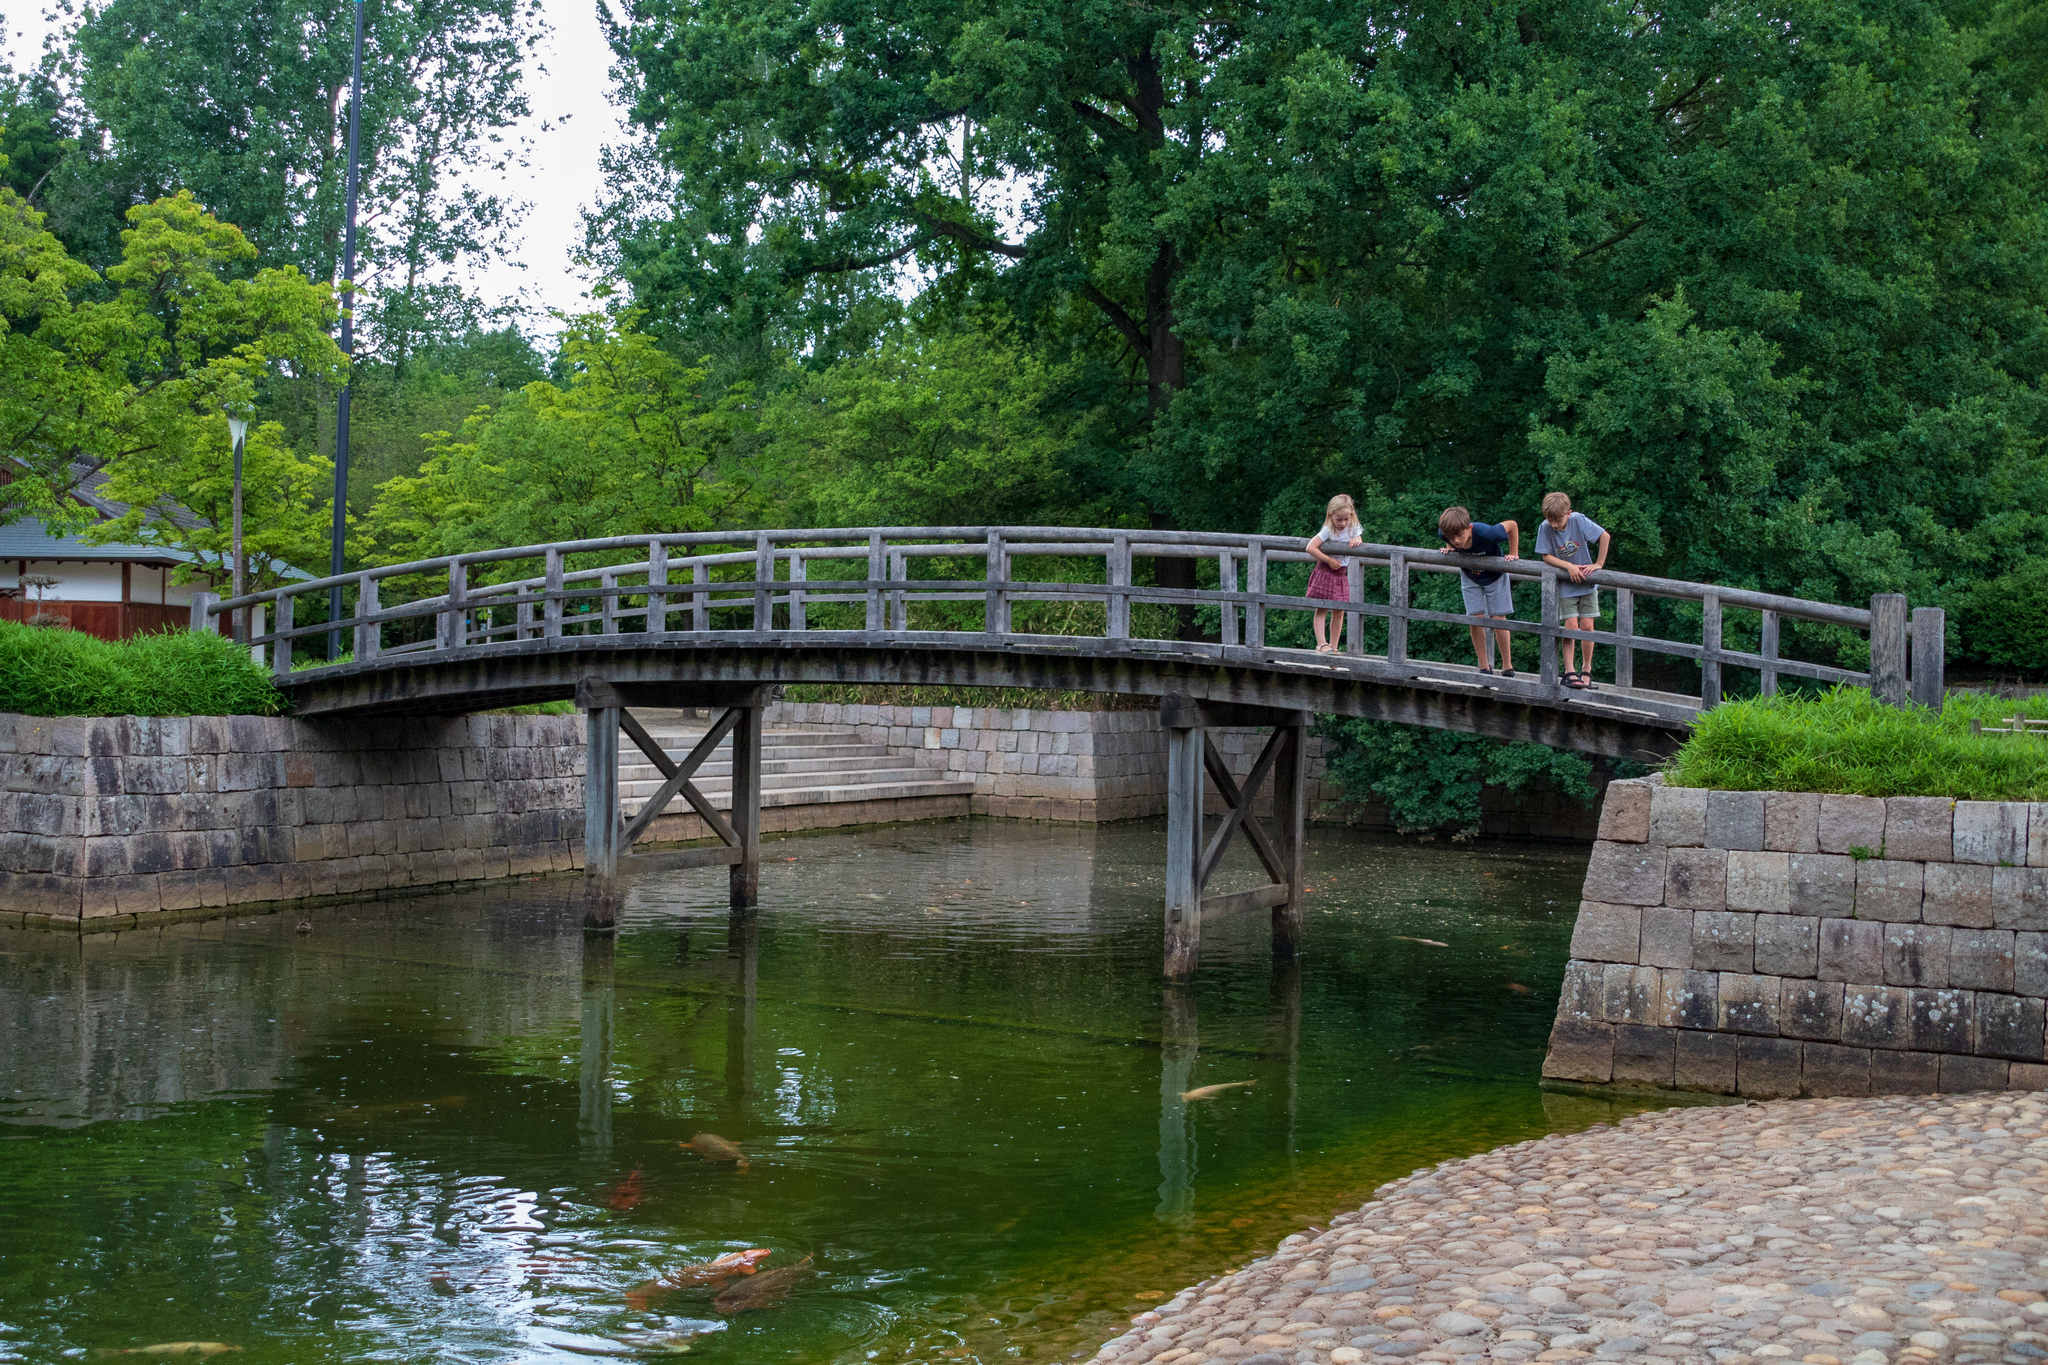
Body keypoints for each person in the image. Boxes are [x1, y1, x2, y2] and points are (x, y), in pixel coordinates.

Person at [1535, 492, 1610, 690]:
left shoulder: (1578, 520)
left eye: (1557, 520)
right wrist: (1568, 566)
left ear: (1568, 513)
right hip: (1566, 583)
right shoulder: (1545, 528)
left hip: (1586, 582)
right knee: (1570, 625)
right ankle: (1569, 671)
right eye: (1550, 520)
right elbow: (1546, 556)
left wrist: (1599, 564)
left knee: (1587, 625)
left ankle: (1586, 668)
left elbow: (1604, 536)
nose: (1554, 524)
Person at [1438, 505, 1519, 675]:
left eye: (1460, 535)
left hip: (1495, 574)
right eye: (1451, 538)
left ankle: (1507, 665)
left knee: (1498, 617)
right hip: (1470, 575)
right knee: (1475, 617)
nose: (1457, 541)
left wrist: (1513, 552)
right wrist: (1449, 547)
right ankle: (1484, 666)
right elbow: (1448, 537)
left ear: (1469, 528)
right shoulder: (1445, 533)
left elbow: (1512, 525)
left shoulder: (1488, 533)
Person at [1305, 494, 1365, 653]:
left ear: (1351, 515)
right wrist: (1328, 560)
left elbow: (1358, 535)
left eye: (1346, 519)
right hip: (1326, 570)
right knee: (1322, 606)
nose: (1343, 523)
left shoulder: (1353, 526)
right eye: (1339, 520)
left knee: (1339, 610)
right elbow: (1310, 547)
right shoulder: (1328, 529)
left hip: (1341, 574)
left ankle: (1333, 646)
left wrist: (1358, 539)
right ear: (1331, 516)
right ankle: (1321, 644)